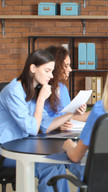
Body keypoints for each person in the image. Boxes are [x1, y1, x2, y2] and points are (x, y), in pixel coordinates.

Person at [0, 49, 85, 192]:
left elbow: (46, 124)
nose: (51, 76)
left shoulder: (33, 89)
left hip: (26, 145)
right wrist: (40, 100)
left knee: (70, 160)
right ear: (33, 68)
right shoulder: (13, 92)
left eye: (52, 71)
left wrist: (72, 113)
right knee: (51, 167)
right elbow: (32, 128)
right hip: (7, 150)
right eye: (47, 71)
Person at [44, 45, 88, 130]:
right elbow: (35, 124)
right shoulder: (42, 89)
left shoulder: (63, 88)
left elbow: (67, 118)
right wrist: (56, 127)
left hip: (64, 133)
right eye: (66, 65)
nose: (70, 69)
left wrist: (77, 112)